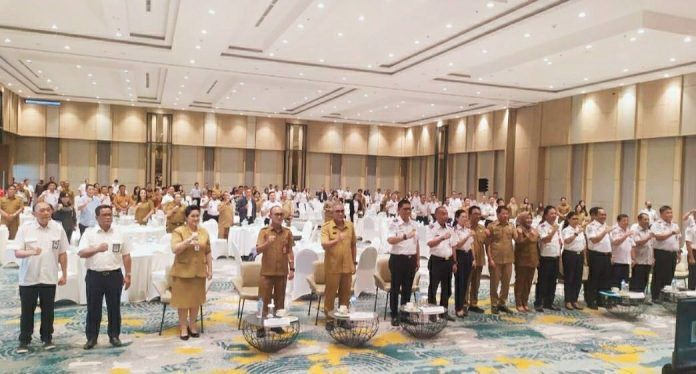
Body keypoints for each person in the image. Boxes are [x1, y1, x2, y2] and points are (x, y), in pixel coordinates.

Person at [14, 202, 68, 354]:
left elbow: (62, 253)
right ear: (34, 213)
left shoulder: (58, 228)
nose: (45, 213)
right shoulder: (25, 228)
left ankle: (47, 338)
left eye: (48, 210)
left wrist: (64, 274)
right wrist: (31, 252)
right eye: (42, 210)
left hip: (49, 277)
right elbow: (17, 252)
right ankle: (24, 340)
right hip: (28, 278)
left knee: (48, 311)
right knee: (27, 311)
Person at [78, 205, 132, 349]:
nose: (108, 217)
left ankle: (114, 336)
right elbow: (81, 253)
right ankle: (91, 338)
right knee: (93, 308)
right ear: (97, 218)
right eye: (104, 215)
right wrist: (97, 249)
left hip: (114, 275)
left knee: (114, 308)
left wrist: (128, 274)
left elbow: (126, 255)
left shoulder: (120, 233)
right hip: (94, 276)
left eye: (110, 214)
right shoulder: (89, 233)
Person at [170, 205, 212, 340]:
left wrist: (210, 269)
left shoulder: (204, 232)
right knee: (183, 302)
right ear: (186, 218)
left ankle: (192, 325)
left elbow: (208, 251)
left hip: (199, 271)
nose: (195, 218)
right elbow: (175, 249)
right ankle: (183, 326)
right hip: (182, 272)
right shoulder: (179, 231)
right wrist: (188, 241)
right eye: (192, 216)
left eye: (197, 216)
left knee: (195, 301)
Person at [255, 206, 295, 324]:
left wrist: (292, 268)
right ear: (270, 216)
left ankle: (277, 325)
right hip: (267, 272)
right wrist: (267, 243)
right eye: (276, 214)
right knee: (263, 300)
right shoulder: (264, 231)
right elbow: (257, 250)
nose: (279, 217)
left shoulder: (287, 232)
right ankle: (261, 325)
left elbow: (289, 251)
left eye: (281, 214)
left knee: (280, 302)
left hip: (282, 272)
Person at [321, 202, 357, 328]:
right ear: (332, 213)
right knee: (330, 294)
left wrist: (354, 262)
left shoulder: (350, 225)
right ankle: (330, 320)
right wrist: (336, 240)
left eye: (342, 211)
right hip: (332, 266)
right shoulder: (326, 227)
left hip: (347, 265)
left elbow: (353, 245)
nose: (341, 213)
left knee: (345, 294)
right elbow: (324, 245)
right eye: (338, 211)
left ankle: (342, 318)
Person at [386, 199, 420, 326]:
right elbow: (390, 240)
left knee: (407, 289)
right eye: (405, 209)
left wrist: (417, 259)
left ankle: (405, 313)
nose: (408, 211)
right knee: (395, 288)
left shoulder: (414, 224)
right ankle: (394, 314)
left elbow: (416, 243)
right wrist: (405, 236)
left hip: (411, 260)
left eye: (409, 209)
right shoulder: (394, 223)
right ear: (399, 210)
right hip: (397, 259)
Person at [426, 206, 456, 321]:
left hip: (448, 261)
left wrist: (454, 262)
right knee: (433, 288)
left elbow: (453, 246)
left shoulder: (450, 228)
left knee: (447, 288)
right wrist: (442, 238)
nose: (446, 216)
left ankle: (444, 311)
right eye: (443, 214)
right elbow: (430, 243)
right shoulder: (431, 227)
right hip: (436, 261)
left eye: (447, 214)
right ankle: (432, 313)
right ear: (436, 215)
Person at [486, 206, 517, 314]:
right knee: (494, 283)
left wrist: (519, 229)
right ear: (498, 214)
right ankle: (494, 304)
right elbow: (488, 244)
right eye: (503, 213)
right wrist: (490, 259)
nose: (505, 216)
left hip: (508, 259)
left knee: (506, 283)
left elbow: (517, 238)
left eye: (507, 214)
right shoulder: (492, 226)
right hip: (496, 259)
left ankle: (502, 303)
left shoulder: (511, 226)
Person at [533, 206, 562, 312]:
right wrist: (554, 230)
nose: (554, 215)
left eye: (555, 213)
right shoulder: (541, 226)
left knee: (553, 281)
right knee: (542, 282)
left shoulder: (557, 226)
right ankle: (539, 303)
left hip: (555, 258)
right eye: (551, 213)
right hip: (545, 259)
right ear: (545, 215)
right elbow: (546, 240)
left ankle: (549, 302)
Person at [650, 205, 681, 302]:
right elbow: (658, 237)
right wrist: (671, 232)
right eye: (668, 213)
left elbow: (678, 239)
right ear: (661, 214)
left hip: (672, 254)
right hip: (660, 253)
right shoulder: (657, 224)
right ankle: (656, 296)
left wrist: (678, 252)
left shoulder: (675, 225)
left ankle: (666, 296)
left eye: (671, 212)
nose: (670, 215)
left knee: (669, 276)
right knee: (659, 275)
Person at [585, 207, 612, 309]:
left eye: (605, 214)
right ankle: (591, 301)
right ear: (595, 216)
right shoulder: (591, 226)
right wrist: (605, 231)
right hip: (596, 255)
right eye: (601, 214)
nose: (604, 216)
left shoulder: (605, 225)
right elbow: (594, 240)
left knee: (604, 279)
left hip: (606, 255)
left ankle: (601, 300)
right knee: (594, 279)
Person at [514, 211, 538, 312]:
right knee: (520, 282)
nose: (529, 220)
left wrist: (538, 258)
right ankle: (519, 302)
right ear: (522, 219)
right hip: (522, 260)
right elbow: (519, 243)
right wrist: (528, 237)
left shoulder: (533, 229)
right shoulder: (518, 229)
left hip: (532, 259)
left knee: (529, 282)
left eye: (530, 218)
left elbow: (536, 245)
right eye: (527, 218)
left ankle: (525, 301)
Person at [465, 206, 488, 313]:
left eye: (479, 214)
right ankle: (464, 304)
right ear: (469, 215)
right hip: (467, 260)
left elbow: (488, 244)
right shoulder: (464, 227)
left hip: (479, 260)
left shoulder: (482, 228)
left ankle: (473, 304)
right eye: (475, 214)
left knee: (476, 283)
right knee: (465, 283)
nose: (478, 216)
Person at [561, 212, 585, 310]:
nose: (576, 221)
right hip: (570, 255)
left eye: (577, 219)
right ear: (568, 220)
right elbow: (567, 241)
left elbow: (583, 243)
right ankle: (568, 300)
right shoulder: (566, 230)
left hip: (580, 255)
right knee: (569, 278)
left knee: (578, 279)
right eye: (574, 219)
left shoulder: (580, 230)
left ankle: (574, 299)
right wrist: (576, 233)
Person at [452, 209, 474, 317]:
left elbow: (471, 245)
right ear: (457, 218)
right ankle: (458, 308)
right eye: (463, 217)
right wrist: (467, 236)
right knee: (459, 283)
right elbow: (457, 245)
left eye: (466, 217)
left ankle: (462, 305)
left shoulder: (467, 229)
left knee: (465, 283)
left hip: (468, 255)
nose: (465, 219)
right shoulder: (455, 230)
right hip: (459, 256)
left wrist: (473, 258)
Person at [629, 213, 654, 293]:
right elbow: (636, 242)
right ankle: (634, 298)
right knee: (636, 281)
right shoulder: (634, 230)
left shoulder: (649, 231)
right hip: (638, 261)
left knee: (644, 281)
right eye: (645, 219)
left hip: (648, 260)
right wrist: (648, 237)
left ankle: (641, 297)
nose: (647, 221)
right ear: (639, 220)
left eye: (648, 219)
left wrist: (653, 258)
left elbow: (651, 245)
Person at [609, 214, 633, 288]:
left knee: (625, 284)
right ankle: (614, 299)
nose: (626, 222)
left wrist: (633, 258)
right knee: (615, 283)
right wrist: (625, 235)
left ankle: (622, 299)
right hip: (616, 262)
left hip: (626, 262)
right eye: (624, 221)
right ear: (618, 221)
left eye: (627, 220)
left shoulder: (628, 231)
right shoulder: (614, 230)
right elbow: (616, 242)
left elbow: (632, 246)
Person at [687, 225, 695, 290]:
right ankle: (691, 296)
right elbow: (688, 243)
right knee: (693, 276)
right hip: (694, 253)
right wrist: (691, 257)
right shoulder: (691, 227)